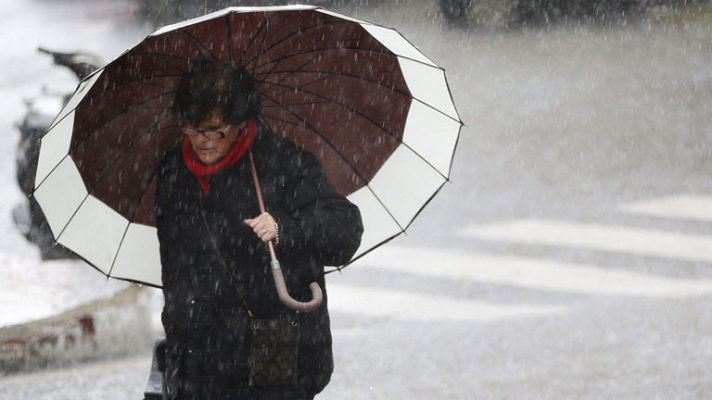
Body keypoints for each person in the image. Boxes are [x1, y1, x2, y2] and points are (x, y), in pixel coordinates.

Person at [155, 59, 363, 400]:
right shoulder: (173, 171)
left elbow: (345, 230)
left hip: (274, 352)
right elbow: (174, 267)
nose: (202, 141)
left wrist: (285, 227)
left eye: (215, 129)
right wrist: (178, 344)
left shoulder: (283, 162)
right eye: (192, 128)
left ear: (241, 122)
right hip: (201, 361)